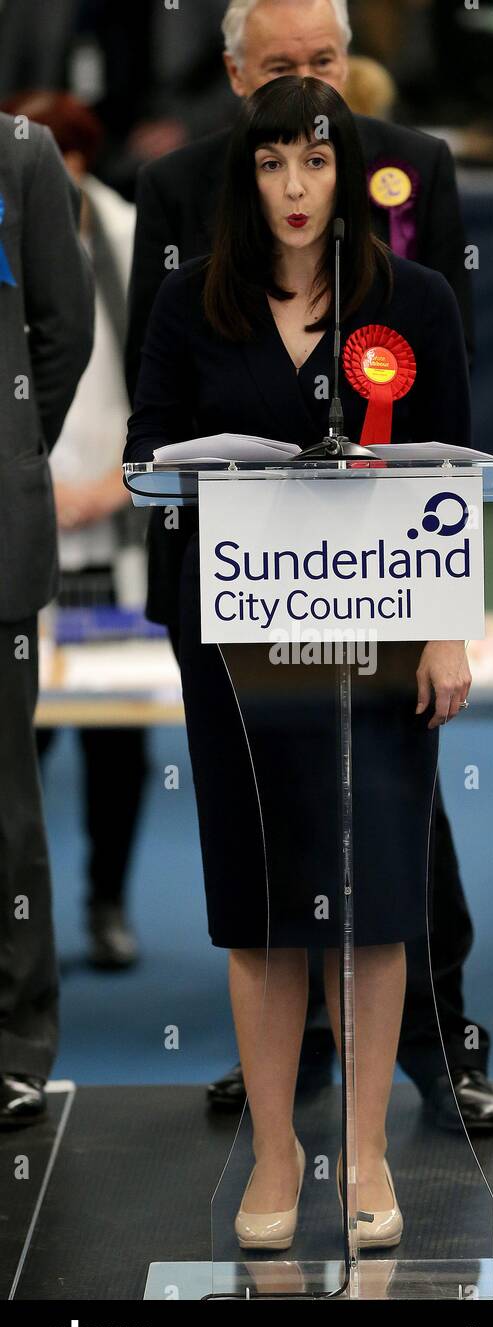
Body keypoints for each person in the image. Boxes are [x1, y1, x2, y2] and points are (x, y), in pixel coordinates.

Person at [126, 0, 493, 1135]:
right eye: (282, 71)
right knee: (254, 833)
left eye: (327, 63)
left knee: (396, 836)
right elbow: (159, 410)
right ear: (236, 74)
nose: (310, 92)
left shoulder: (414, 173)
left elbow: (446, 384)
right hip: (236, 589)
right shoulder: (179, 192)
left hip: (383, 589)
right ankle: (284, 1070)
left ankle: (436, 1045)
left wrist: (446, 613)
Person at [0, 91, 149, 969]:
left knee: (118, 738)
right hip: (24, 522)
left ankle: (107, 903)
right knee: (27, 741)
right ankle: (25, 929)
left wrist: (110, 487)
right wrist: (32, 483)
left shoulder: (131, 236)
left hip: (111, 532)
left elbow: (156, 383)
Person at [0, 110, 94, 1128]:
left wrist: (13, 450)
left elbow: (64, 334)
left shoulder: (21, 155)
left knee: (4, 808)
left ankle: (13, 1044)